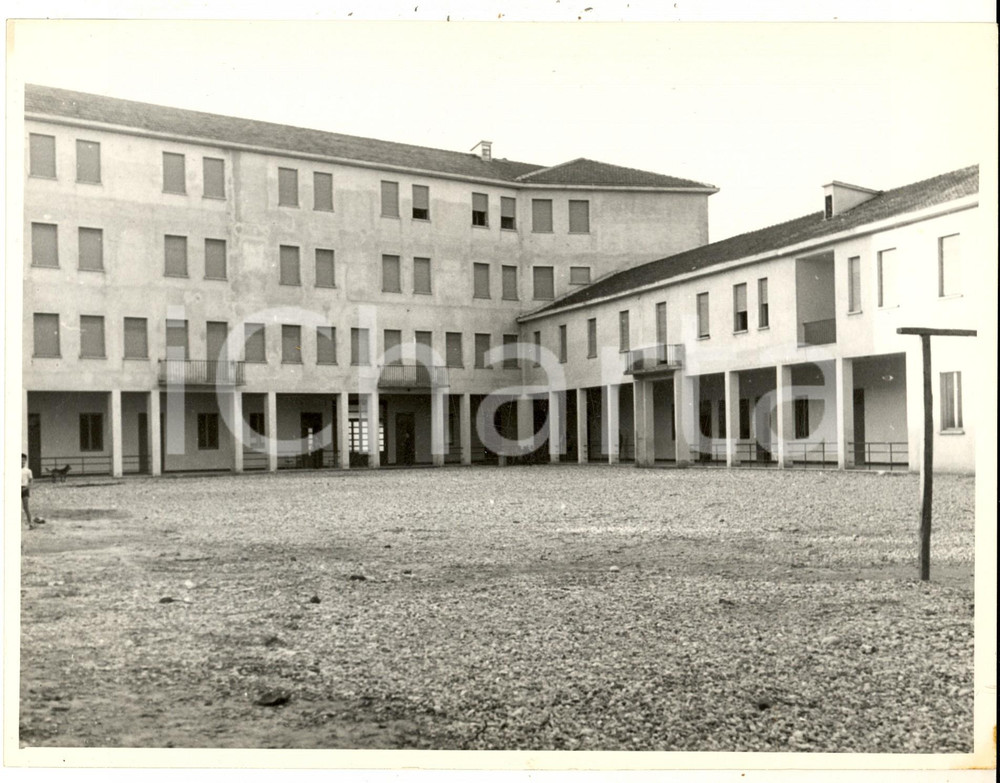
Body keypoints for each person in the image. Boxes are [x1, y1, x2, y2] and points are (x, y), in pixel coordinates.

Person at [21, 453, 36, 529]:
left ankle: (30, 523)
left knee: (26, 507)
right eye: (20, 459)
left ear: (25, 461)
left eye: (23, 460)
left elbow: (31, 481)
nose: (22, 461)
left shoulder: (28, 471)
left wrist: (26, 488)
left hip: (25, 489)